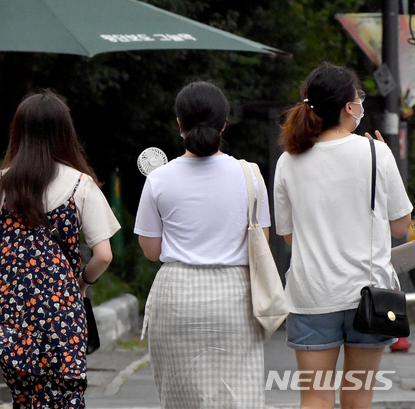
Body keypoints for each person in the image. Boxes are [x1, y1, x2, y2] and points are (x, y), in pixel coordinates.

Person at [0, 90, 120, 408]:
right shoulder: (81, 185)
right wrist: (81, 283)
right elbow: (104, 254)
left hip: (12, 322)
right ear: (65, 133)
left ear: (19, 133)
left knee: (24, 400)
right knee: (65, 398)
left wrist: (17, 276)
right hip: (62, 318)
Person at [274, 62, 412, 409]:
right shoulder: (375, 152)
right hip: (369, 296)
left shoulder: (289, 161)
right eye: (359, 99)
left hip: (311, 296)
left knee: (316, 397)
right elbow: (400, 227)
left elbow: (289, 237)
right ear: (349, 107)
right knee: (358, 398)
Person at [135, 81, 270, 408]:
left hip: (177, 296)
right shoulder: (250, 175)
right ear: (224, 124)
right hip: (234, 298)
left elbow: (151, 251)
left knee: (182, 398)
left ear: (179, 124)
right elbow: (260, 244)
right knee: (239, 395)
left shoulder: (159, 179)